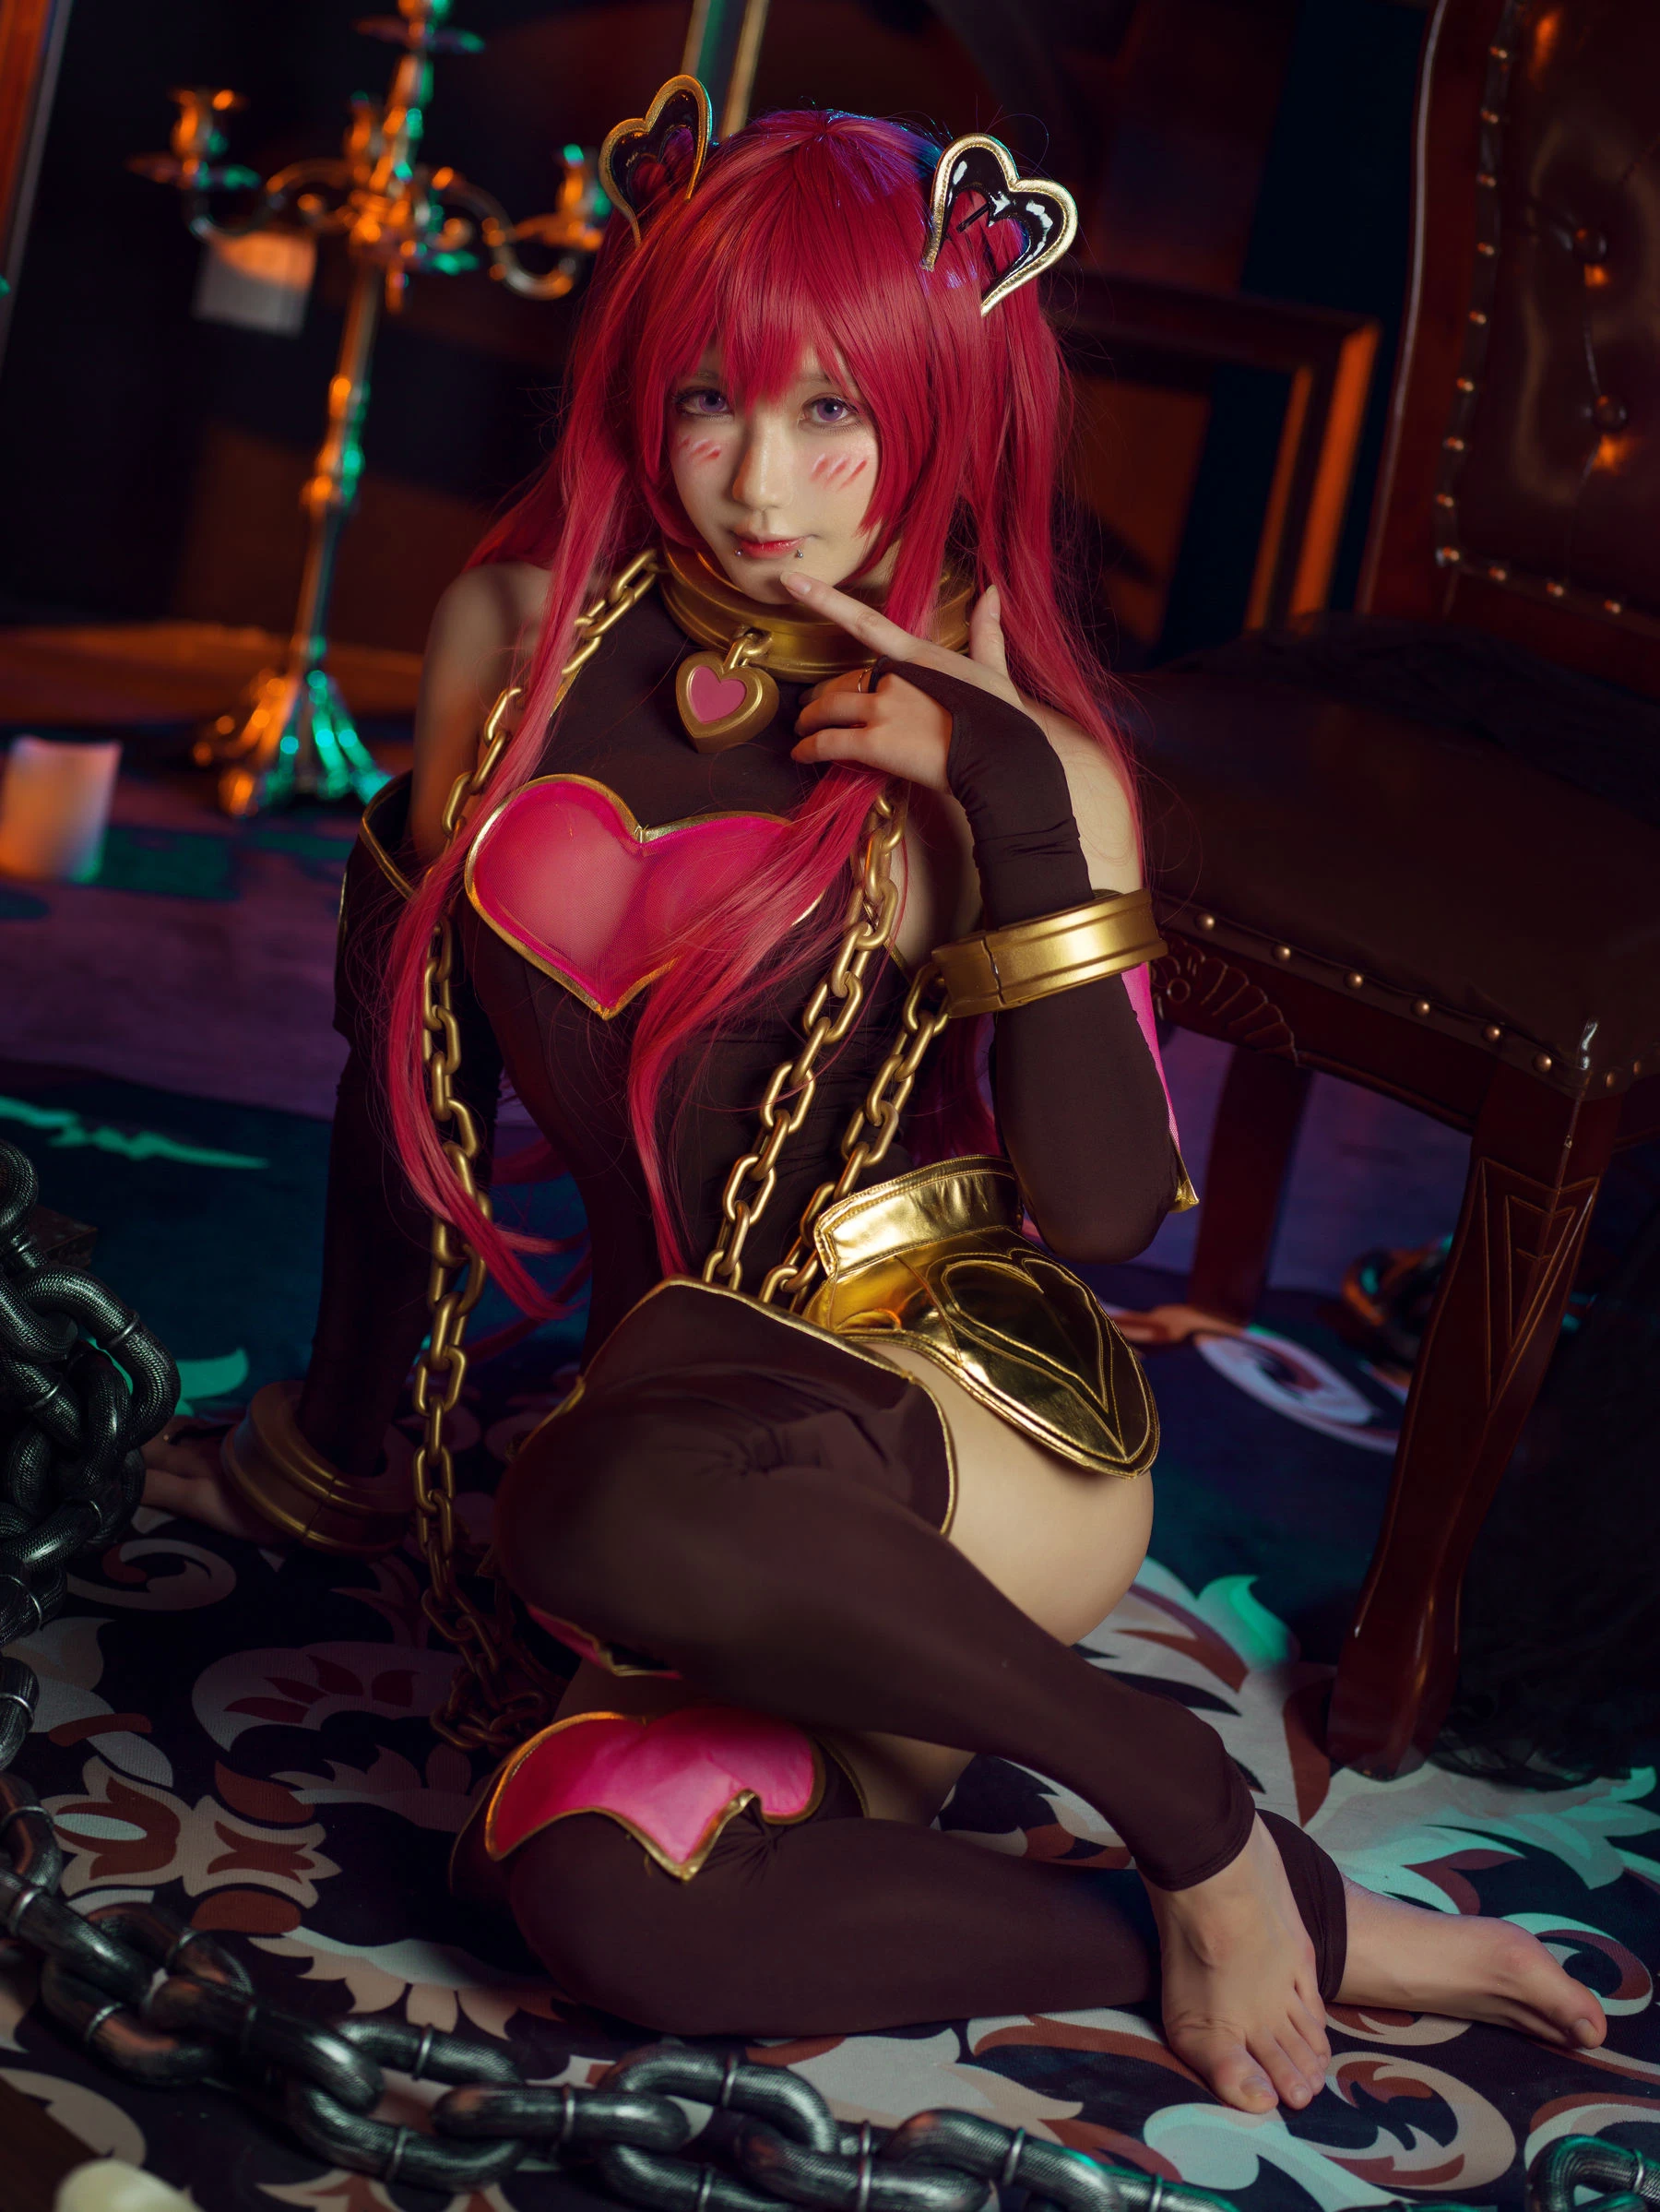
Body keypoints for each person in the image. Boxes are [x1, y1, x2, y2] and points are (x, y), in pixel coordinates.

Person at [145, 86, 1607, 2111]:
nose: (763, 483)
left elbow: (1104, 1212)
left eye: (833, 411)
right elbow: (408, 1090)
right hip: (691, 1485)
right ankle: (1287, 1917)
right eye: (709, 401)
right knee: (596, 1883)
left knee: (596, 1492)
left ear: (942, 405)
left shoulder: (1017, 744)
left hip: (952, 1418)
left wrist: (1006, 794)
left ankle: (1183, 1809)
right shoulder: (509, 641)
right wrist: (328, 1450)